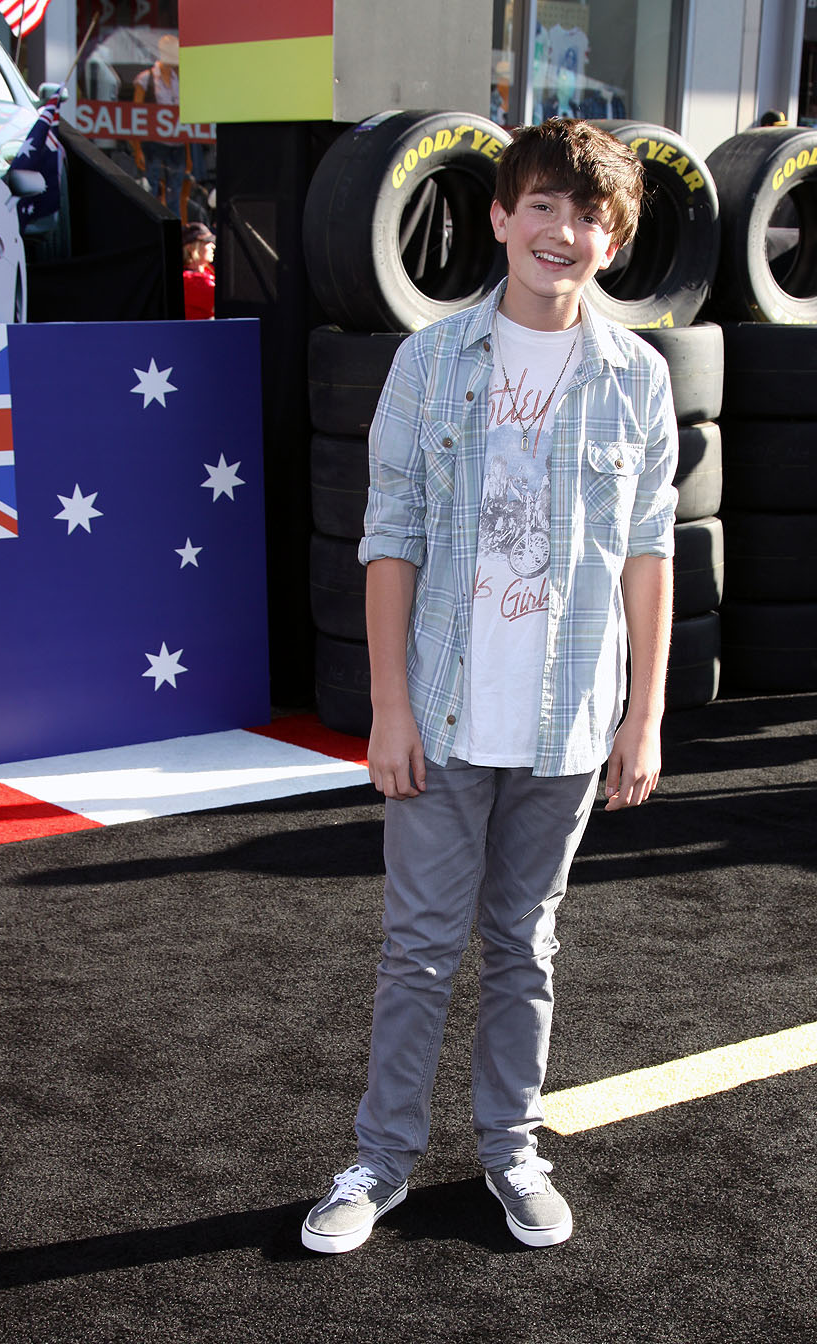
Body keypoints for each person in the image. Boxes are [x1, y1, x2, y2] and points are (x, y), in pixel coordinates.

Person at [301, 117, 678, 1255]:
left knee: (525, 947)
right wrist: (391, 709)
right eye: (544, 206)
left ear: (614, 241)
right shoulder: (429, 362)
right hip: (443, 712)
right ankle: (380, 1162)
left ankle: (512, 1151)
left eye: (590, 216)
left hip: (568, 724)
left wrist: (645, 715)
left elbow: (649, 553)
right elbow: (390, 540)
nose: (564, 231)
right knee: (417, 949)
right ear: (504, 217)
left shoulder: (637, 377)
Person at [132, 35, 189, 217]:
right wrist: (137, 149)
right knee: (151, 191)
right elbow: (134, 116)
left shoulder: (180, 80)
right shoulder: (146, 79)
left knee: (175, 194)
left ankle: (174, 228)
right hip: (154, 144)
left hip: (177, 145)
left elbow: (184, 116)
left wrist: (188, 152)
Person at [182, 221, 215, 319]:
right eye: (207, 242)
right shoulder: (189, 280)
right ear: (191, 248)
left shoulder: (209, 270)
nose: (213, 246)